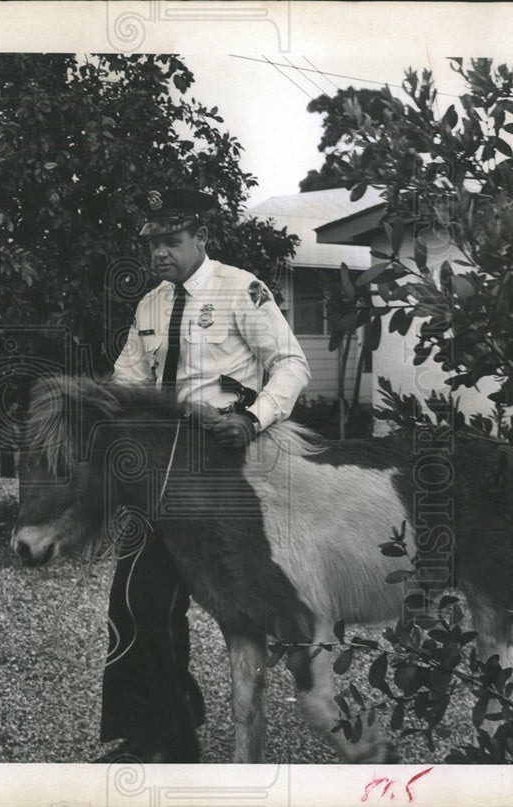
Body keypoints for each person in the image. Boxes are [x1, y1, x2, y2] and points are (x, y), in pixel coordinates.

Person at [98, 188, 310, 763]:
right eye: (151, 243)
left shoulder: (242, 289)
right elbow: (124, 382)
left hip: (225, 471)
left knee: (250, 604)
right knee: (136, 601)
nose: (159, 253)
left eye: (171, 241)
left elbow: (291, 364)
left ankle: (301, 701)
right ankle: (160, 731)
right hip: (161, 473)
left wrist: (254, 417)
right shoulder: (148, 307)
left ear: (200, 238)